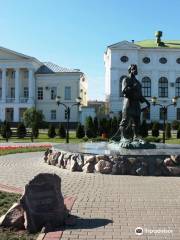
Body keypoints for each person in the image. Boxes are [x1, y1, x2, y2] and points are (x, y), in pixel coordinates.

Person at [120, 64, 150, 141]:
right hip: (128, 102)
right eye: (133, 69)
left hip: (136, 104)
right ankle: (123, 137)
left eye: (136, 69)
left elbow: (140, 95)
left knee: (137, 121)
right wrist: (133, 87)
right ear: (130, 70)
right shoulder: (126, 79)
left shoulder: (138, 83)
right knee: (125, 120)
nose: (135, 70)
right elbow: (124, 91)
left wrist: (146, 102)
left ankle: (135, 136)